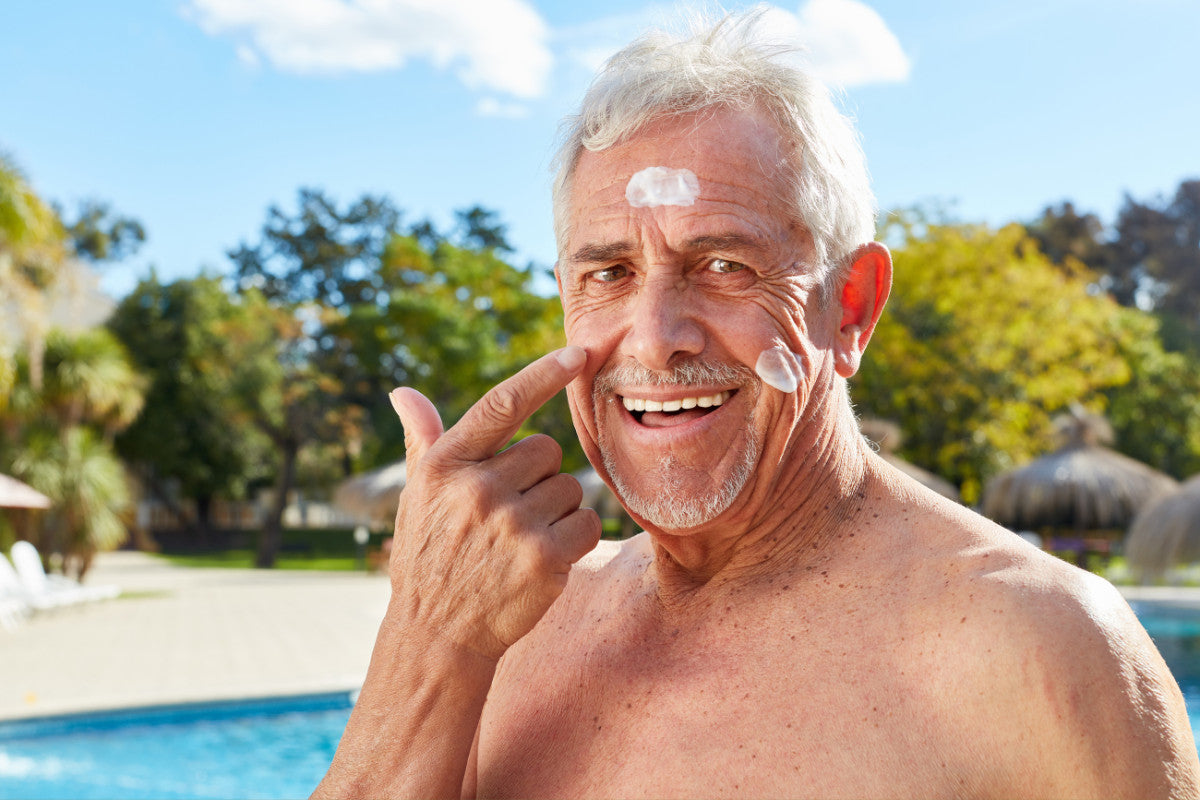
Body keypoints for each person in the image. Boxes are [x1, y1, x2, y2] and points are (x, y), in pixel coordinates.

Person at [314, 13, 1200, 799]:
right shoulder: (510, 630)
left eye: (724, 266)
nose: (654, 337)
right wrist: (428, 647)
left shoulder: (1043, 654)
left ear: (849, 307)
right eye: (609, 273)